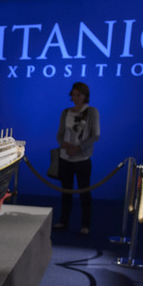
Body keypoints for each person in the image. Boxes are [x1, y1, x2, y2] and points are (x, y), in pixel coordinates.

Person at [54, 81, 100, 234]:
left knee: (84, 192)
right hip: (65, 157)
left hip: (82, 159)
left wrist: (78, 148)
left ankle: (85, 225)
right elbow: (60, 134)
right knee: (66, 191)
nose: (75, 98)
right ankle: (63, 220)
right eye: (73, 95)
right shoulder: (66, 112)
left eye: (78, 95)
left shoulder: (92, 112)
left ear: (85, 96)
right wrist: (64, 145)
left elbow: (95, 135)